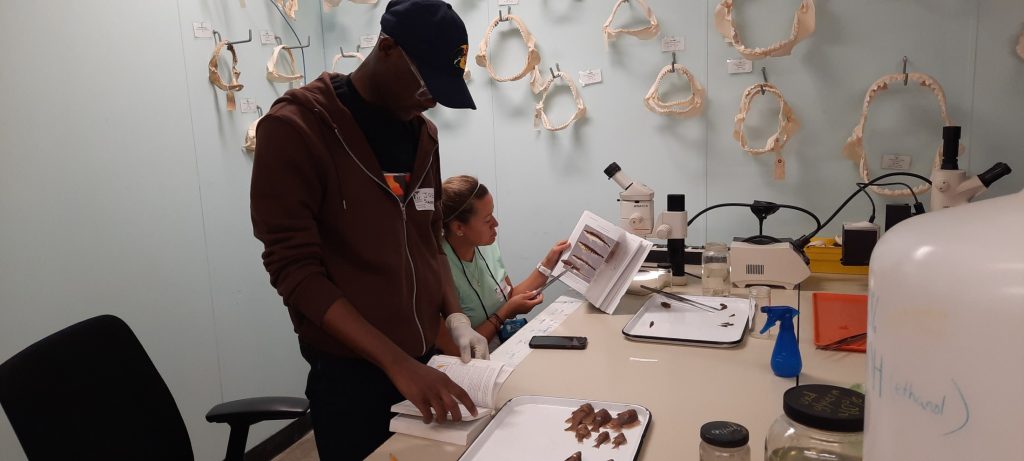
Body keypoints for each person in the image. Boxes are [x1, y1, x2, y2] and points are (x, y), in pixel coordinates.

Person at [249, 1, 489, 459]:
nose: (432, 99)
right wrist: (398, 365)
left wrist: (456, 320)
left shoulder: (423, 136)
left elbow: (430, 235)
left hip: (423, 360)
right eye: (426, 84)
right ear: (387, 46)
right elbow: (295, 271)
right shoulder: (297, 129)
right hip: (350, 376)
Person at [440, 175, 570, 347]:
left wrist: (548, 263)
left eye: (492, 214)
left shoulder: (486, 245)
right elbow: (456, 350)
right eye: (487, 220)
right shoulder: (439, 267)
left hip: (501, 346)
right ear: (458, 228)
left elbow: (508, 297)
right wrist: (505, 313)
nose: (496, 223)